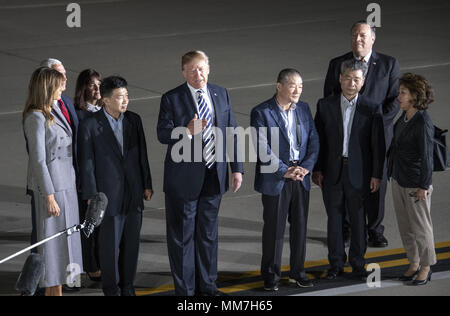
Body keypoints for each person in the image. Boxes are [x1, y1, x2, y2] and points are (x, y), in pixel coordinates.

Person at [157, 50, 244, 296]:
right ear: (184, 72)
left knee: (208, 235)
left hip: (213, 176)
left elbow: (231, 132)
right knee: (182, 238)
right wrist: (185, 130)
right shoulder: (172, 98)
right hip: (183, 180)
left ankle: (207, 286)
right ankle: (185, 291)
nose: (199, 74)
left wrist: (236, 168)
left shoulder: (220, 93)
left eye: (202, 68)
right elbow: (162, 134)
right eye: (193, 69)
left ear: (209, 69)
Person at [323, 21, 401, 248]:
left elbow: (394, 101)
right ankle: (346, 229)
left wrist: (374, 124)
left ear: (373, 38)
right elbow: (329, 97)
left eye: (363, 35)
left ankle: (374, 229)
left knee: (377, 183)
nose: (359, 39)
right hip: (347, 135)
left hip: (378, 136)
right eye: (355, 35)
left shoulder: (388, 64)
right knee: (347, 181)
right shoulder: (337, 63)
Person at [78, 76, 153, 296]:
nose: (125, 101)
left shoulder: (134, 120)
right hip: (107, 196)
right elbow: (87, 163)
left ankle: (128, 287)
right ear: (106, 100)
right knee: (109, 247)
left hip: (133, 193)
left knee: (132, 246)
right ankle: (111, 290)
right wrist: (92, 195)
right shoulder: (90, 125)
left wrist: (146, 184)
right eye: (120, 97)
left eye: (127, 96)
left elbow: (142, 156)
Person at [313, 60, 385, 280]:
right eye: (347, 78)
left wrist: (376, 174)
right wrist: (317, 169)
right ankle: (335, 264)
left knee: (357, 219)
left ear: (362, 83)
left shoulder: (372, 108)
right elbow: (319, 141)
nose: (351, 83)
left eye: (356, 79)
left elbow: (377, 146)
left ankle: (358, 264)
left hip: (360, 174)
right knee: (334, 220)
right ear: (340, 79)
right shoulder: (325, 105)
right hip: (332, 173)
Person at [250, 69, 319, 291]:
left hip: (301, 177)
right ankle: (271, 276)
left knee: (300, 228)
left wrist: (306, 168)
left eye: (300, 86)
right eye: (292, 85)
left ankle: (298, 273)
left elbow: (314, 141)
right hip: (276, 178)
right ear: (279, 86)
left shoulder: (304, 109)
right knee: (274, 230)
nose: (297, 90)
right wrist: (283, 170)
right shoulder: (261, 111)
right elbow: (261, 147)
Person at [23, 67, 83, 296]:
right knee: (52, 254)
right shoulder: (35, 117)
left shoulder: (54, 111)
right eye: (59, 84)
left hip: (67, 187)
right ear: (48, 87)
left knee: (65, 254)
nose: (64, 88)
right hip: (53, 190)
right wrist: (48, 196)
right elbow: (38, 161)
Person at [387, 73, 436, 285]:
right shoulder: (405, 116)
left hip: (416, 184)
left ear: (415, 95)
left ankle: (426, 266)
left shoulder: (422, 121)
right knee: (406, 226)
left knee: (421, 228)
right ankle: (414, 262)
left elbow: (427, 157)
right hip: (399, 179)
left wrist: (423, 186)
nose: (399, 97)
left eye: (403, 93)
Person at [74, 68, 102, 282]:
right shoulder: (79, 114)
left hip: (105, 177)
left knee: (102, 225)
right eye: (92, 84)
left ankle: (100, 263)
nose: (96, 88)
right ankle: (91, 266)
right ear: (83, 87)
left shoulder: (104, 112)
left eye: (99, 84)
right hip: (87, 178)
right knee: (88, 225)